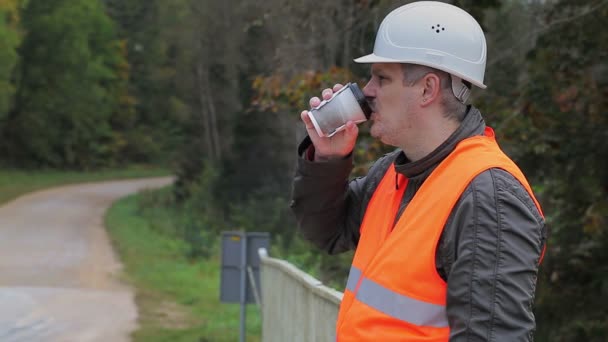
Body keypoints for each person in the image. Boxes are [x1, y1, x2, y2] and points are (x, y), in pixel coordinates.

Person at [290, 1, 547, 341]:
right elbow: (326, 232)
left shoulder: (489, 196)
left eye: (382, 78)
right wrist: (328, 161)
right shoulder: (395, 172)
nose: (366, 91)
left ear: (427, 89)